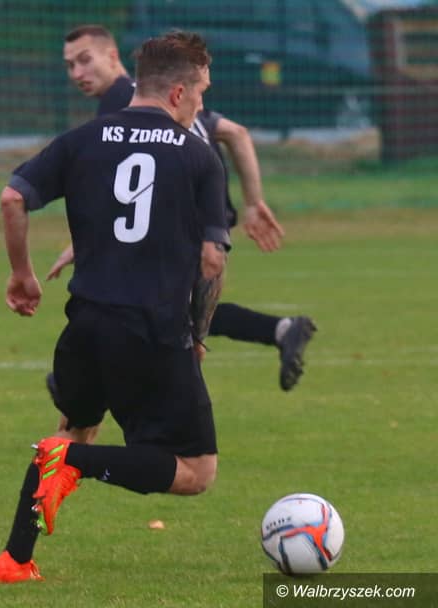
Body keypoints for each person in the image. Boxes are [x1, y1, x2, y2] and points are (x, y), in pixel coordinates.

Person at [0, 31, 229, 583]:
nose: (200, 105)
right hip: (151, 330)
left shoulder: (81, 139)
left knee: (74, 428)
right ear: (177, 93)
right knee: (195, 471)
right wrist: (197, 334)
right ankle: (71, 466)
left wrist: (22, 273)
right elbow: (211, 260)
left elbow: (12, 197)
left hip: (86, 326)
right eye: (199, 92)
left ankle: (15, 559)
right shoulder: (198, 155)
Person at [52, 24, 316, 392]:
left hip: (181, 234)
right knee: (168, 334)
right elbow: (235, 132)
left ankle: (85, 384)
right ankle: (281, 330)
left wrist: (88, 240)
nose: (77, 73)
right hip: (205, 231)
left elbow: (124, 188)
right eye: (70, 65)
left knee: (147, 329)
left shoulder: (129, 100)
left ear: (112, 56)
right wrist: (253, 202)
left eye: (84, 60)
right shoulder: (166, 91)